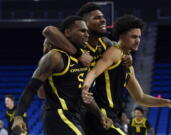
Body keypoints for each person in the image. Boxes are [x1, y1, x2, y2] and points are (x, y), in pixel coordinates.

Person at [11, 16, 112, 135]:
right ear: (68, 32)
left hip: (75, 115)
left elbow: (85, 97)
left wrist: (100, 115)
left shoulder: (84, 59)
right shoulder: (55, 56)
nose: (87, 34)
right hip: (59, 114)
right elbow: (32, 88)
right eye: (82, 31)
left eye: (87, 31)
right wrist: (18, 116)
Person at [42, 3, 132, 135]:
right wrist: (78, 54)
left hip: (90, 105)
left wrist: (127, 55)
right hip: (63, 106)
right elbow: (49, 31)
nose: (103, 20)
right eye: (96, 18)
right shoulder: (69, 44)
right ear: (83, 24)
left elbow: (118, 48)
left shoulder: (105, 43)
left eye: (103, 17)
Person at [82, 14, 171, 133]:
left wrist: (168, 103)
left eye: (139, 36)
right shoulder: (115, 52)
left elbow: (141, 98)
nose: (138, 40)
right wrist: (85, 88)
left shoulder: (127, 63)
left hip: (112, 117)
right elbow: (94, 71)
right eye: (133, 37)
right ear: (122, 36)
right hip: (100, 114)